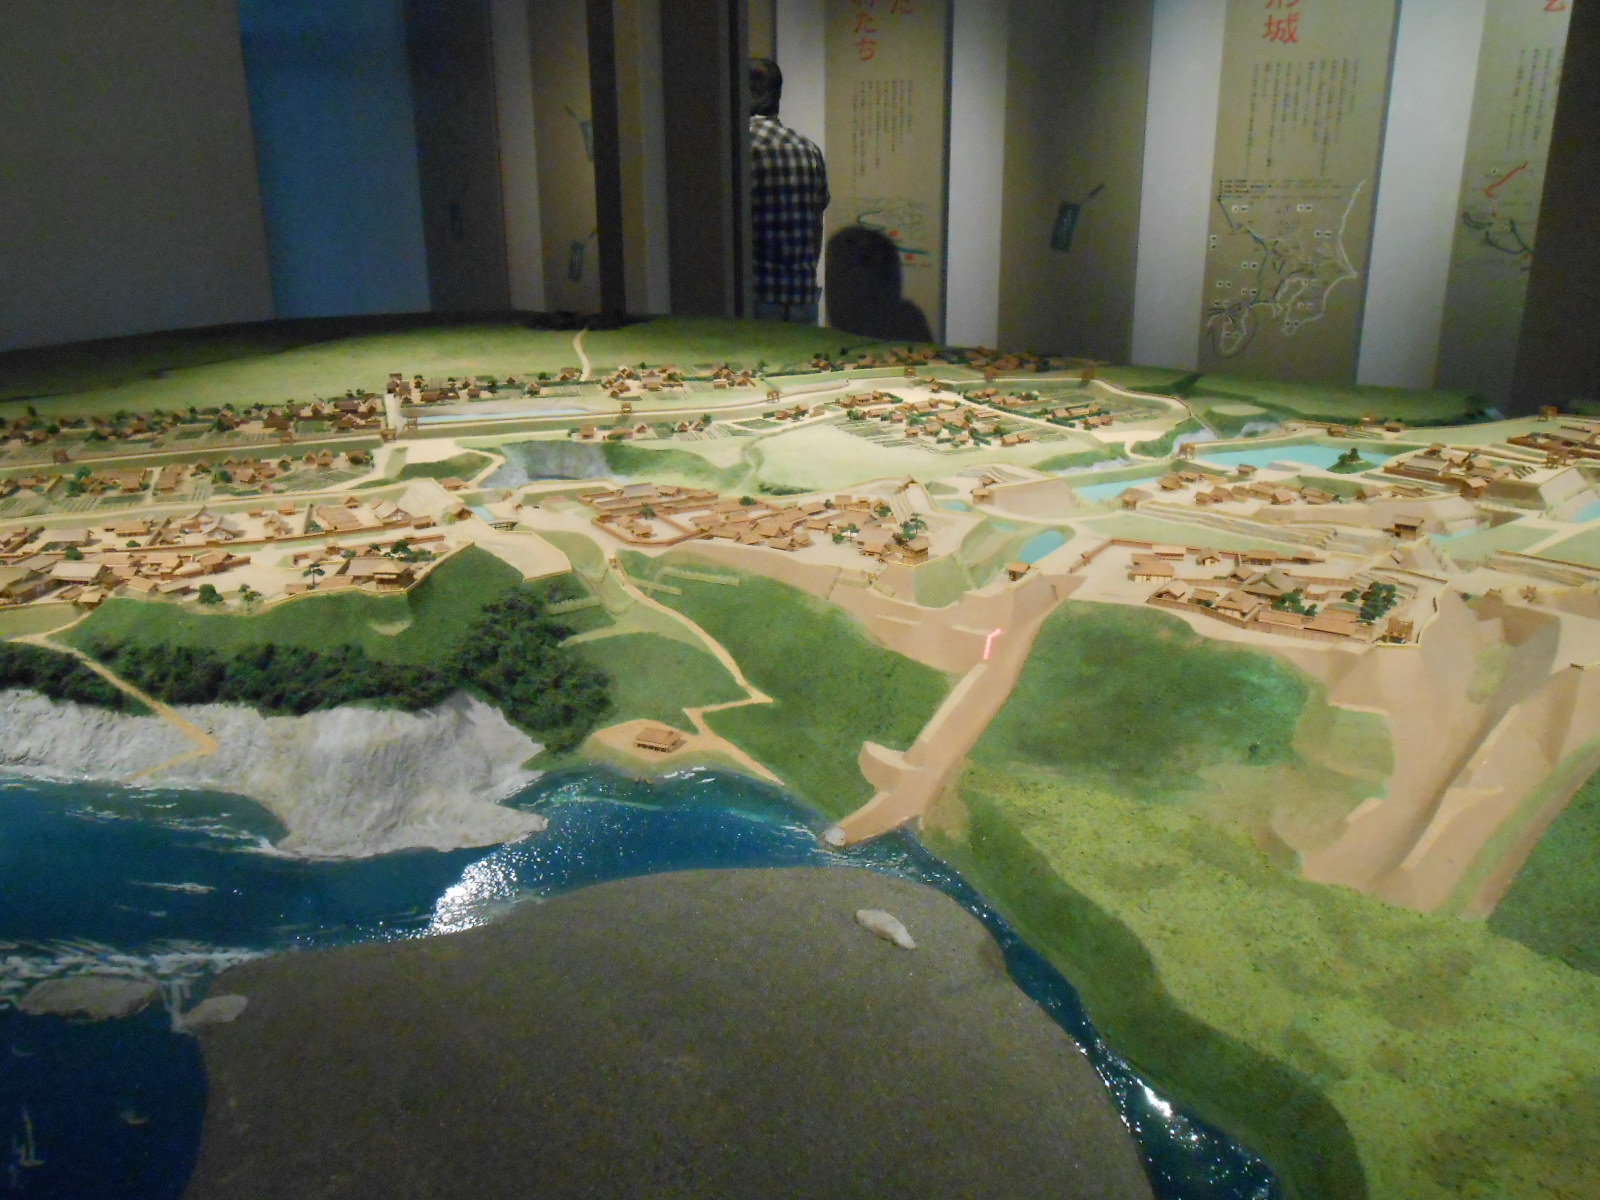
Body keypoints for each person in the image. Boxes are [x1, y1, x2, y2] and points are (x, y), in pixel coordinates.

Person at [749, 58, 829, 324]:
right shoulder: (809, 149)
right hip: (802, 295)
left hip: (757, 295)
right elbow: (816, 227)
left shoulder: (739, 147)